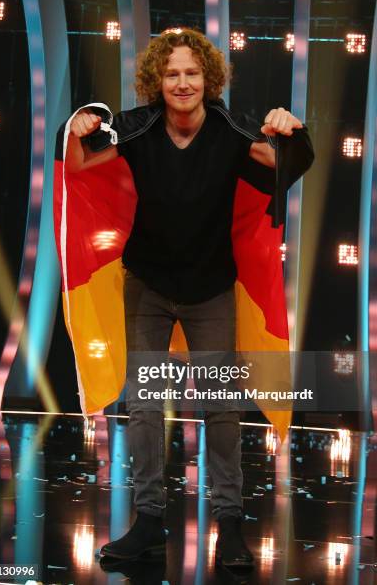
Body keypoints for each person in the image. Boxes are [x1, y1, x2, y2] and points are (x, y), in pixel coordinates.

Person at [62, 28, 314, 568]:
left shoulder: (230, 128)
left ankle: (230, 528)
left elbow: (289, 163)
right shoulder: (138, 126)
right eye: (172, 73)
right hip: (148, 285)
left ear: (209, 79)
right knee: (146, 405)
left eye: (192, 73)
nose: (182, 83)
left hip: (211, 289)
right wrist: (82, 117)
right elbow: (79, 162)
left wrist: (292, 132)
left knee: (221, 408)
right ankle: (149, 522)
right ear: (158, 79)